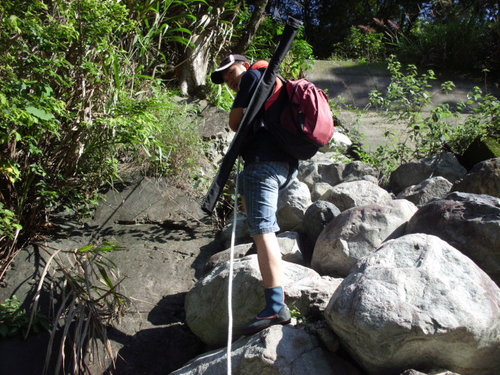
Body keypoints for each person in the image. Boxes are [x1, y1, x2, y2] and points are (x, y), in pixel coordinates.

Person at [210, 54, 298, 335]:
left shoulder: (252, 77)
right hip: (282, 164)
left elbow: (235, 122)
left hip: (263, 165)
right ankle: (273, 295)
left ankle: (275, 307)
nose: (228, 79)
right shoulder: (273, 82)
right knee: (261, 226)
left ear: (244, 64)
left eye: (229, 71)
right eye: (223, 77)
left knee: (263, 231)